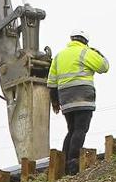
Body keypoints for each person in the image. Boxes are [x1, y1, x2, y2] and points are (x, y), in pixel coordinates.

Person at [47, 29, 110, 174]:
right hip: (82, 95)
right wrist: (97, 53)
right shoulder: (85, 52)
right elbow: (104, 67)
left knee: (72, 129)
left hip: (65, 97)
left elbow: (51, 82)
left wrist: (55, 101)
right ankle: (73, 162)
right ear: (85, 41)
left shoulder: (59, 56)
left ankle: (63, 162)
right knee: (81, 129)